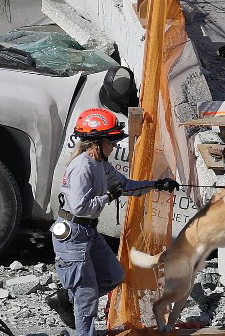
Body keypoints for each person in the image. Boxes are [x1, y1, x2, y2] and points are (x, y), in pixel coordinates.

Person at [46, 108, 180, 336]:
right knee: (87, 298)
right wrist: (109, 196)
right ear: (96, 142)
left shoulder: (100, 163)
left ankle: (66, 298)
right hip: (73, 236)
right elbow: (80, 207)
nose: (115, 145)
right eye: (112, 141)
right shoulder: (81, 167)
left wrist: (157, 185)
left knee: (113, 276)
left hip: (88, 232)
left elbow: (125, 185)